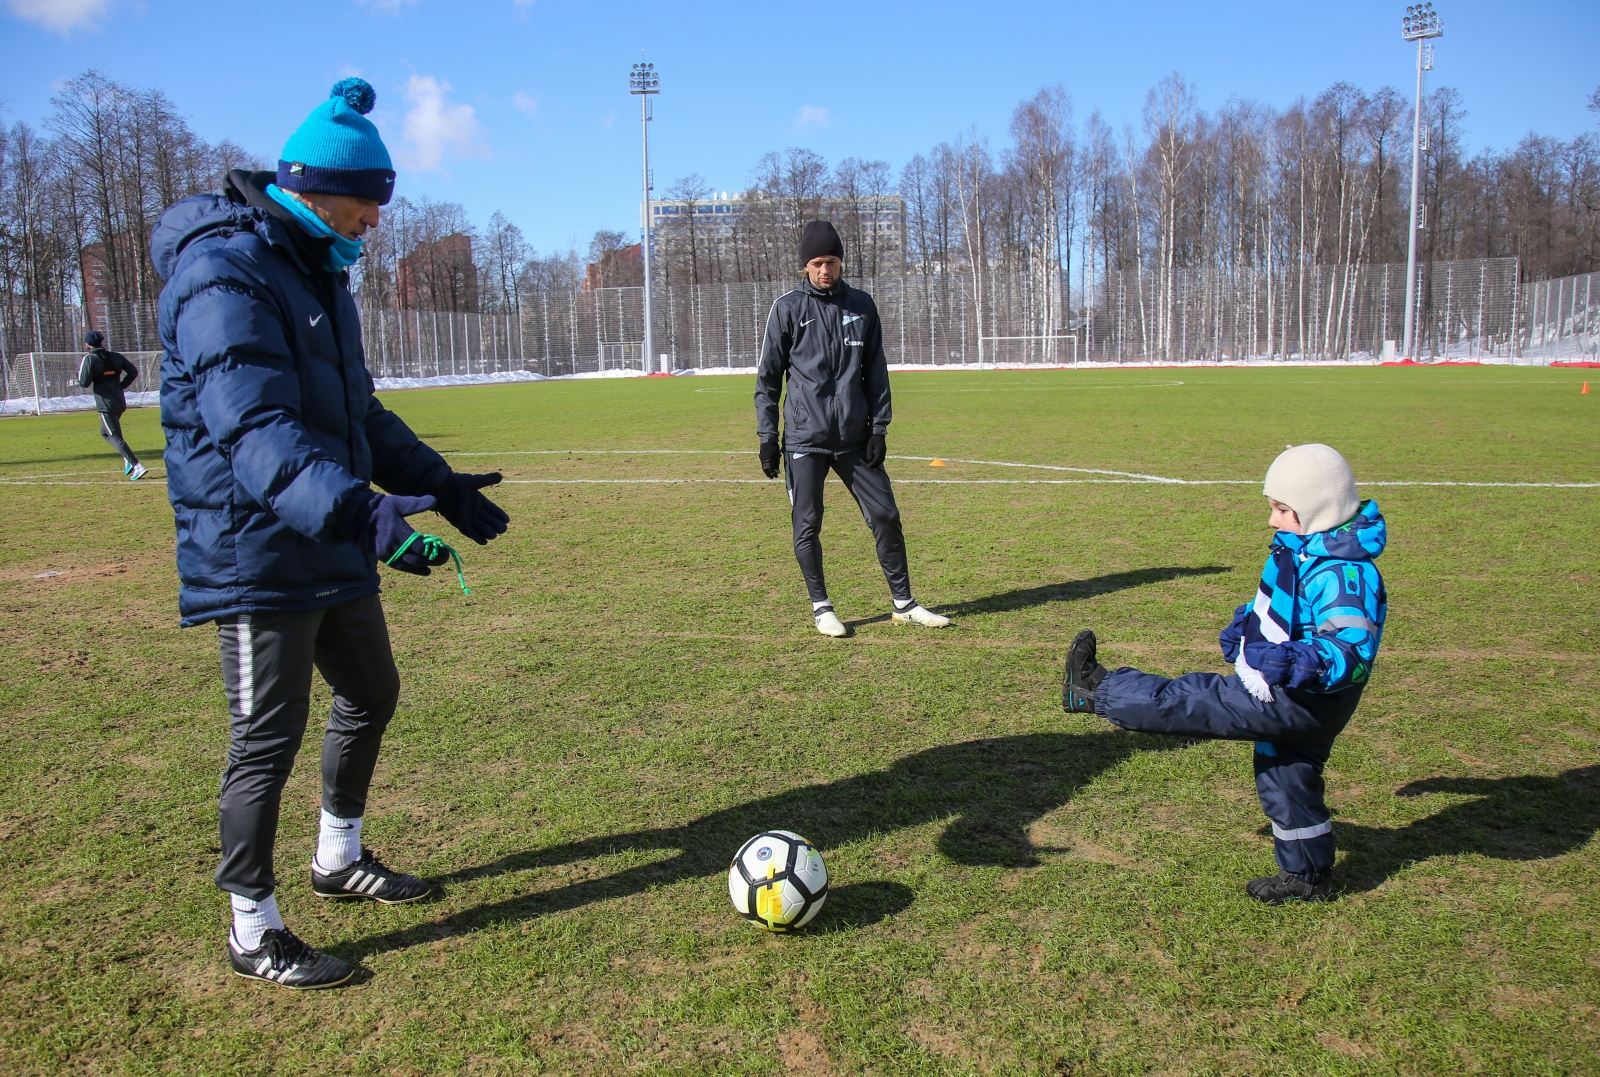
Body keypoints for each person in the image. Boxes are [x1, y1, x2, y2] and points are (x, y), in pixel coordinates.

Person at [151, 78, 510, 989]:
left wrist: (436, 482)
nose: (376, 220)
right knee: (265, 738)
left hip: (329, 534)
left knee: (371, 690)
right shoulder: (221, 272)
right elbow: (256, 432)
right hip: (256, 548)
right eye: (366, 202)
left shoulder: (322, 273)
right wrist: (363, 512)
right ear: (314, 190)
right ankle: (252, 926)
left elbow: (358, 415)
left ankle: (337, 856)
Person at [1061, 444, 1387, 903]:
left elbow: (1349, 651)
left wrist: (1293, 661)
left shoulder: (1345, 574)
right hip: (1308, 701)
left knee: (1197, 698)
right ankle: (1306, 877)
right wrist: (1251, 626)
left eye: (1282, 509)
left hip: (1300, 698)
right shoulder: (1309, 551)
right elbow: (1286, 608)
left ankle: (1096, 690)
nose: (1272, 519)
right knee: (1287, 778)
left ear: (1319, 509)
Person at [754, 220, 949, 637]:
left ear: (841, 262)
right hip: (805, 439)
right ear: (806, 266)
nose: (825, 270)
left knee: (885, 515)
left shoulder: (862, 305)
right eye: (817, 263)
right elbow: (768, 380)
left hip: (855, 437)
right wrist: (768, 437)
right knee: (807, 524)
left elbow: (876, 371)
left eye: (832, 261)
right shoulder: (787, 308)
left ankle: (904, 604)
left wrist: (879, 428)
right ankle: (822, 608)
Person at [77, 331, 147, 480]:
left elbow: (84, 382)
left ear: (87, 344)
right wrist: (121, 385)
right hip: (119, 400)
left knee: (114, 436)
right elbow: (133, 371)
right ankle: (127, 459)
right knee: (105, 432)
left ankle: (136, 465)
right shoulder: (115, 356)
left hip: (105, 403)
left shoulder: (89, 359)